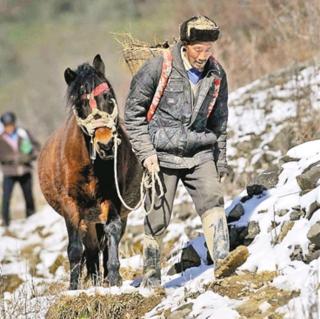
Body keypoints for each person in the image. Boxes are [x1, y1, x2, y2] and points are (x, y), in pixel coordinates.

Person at [125, 16, 229, 287]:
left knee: (213, 201)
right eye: (198, 49)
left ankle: (224, 265)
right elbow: (133, 114)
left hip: (199, 151)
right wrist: (146, 153)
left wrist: (221, 160)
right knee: (157, 216)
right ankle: (151, 277)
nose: (203, 56)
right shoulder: (158, 67)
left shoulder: (216, 74)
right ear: (185, 45)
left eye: (208, 50)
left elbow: (219, 122)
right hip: (161, 155)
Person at [0, 111, 40, 227]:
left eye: (11, 125)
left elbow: (37, 147)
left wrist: (29, 156)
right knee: (6, 197)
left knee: (28, 196)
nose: (9, 128)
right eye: (7, 126)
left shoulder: (23, 134)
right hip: (9, 172)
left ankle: (31, 218)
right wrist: (12, 158)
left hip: (25, 170)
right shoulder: (1, 138)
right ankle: (6, 222)